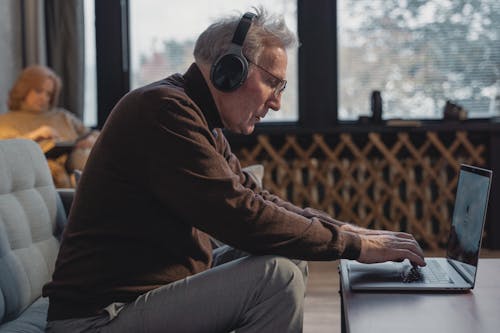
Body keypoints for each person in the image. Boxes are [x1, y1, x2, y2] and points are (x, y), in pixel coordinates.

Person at [43, 7, 425, 332]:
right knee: (276, 277)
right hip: (97, 319)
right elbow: (242, 217)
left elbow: (256, 199)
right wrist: (354, 247)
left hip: (140, 297)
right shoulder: (163, 110)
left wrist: (345, 230)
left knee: (288, 255)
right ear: (230, 69)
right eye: (272, 83)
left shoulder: (196, 117)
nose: (276, 103)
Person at [0, 65, 98, 187]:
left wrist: (91, 140)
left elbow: (94, 134)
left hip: (78, 167)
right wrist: (35, 135)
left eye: (48, 94)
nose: (44, 98)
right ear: (23, 89)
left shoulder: (63, 116)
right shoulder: (5, 122)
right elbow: (6, 150)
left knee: (87, 157)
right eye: (38, 91)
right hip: (47, 175)